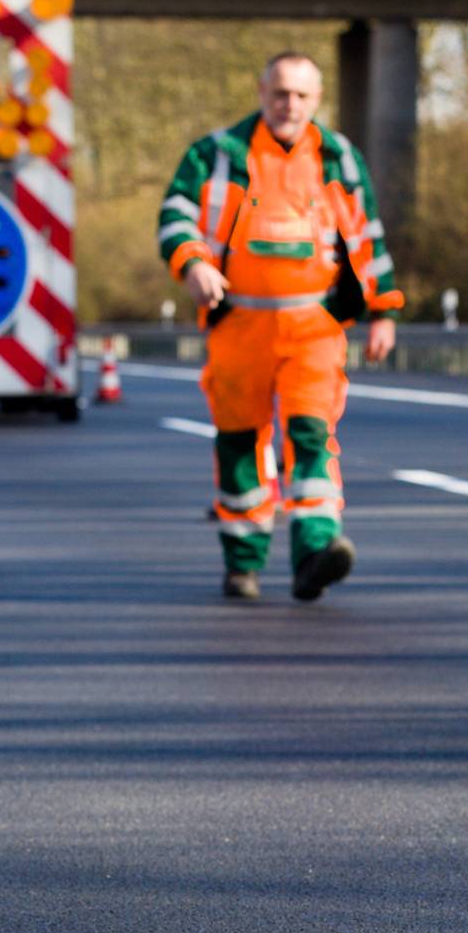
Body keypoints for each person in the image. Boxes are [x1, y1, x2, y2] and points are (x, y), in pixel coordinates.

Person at [157, 52, 404, 603]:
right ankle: (243, 562)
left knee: (312, 436)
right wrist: (193, 263)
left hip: (315, 325)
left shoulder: (337, 156)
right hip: (240, 324)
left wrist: (384, 310)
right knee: (240, 442)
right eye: (279, 94)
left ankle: (317, 550)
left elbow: (369, 236)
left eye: (300, 95)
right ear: (262, 92)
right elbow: (175, 214)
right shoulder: (218, 154)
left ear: (316, 99)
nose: (289, 105)